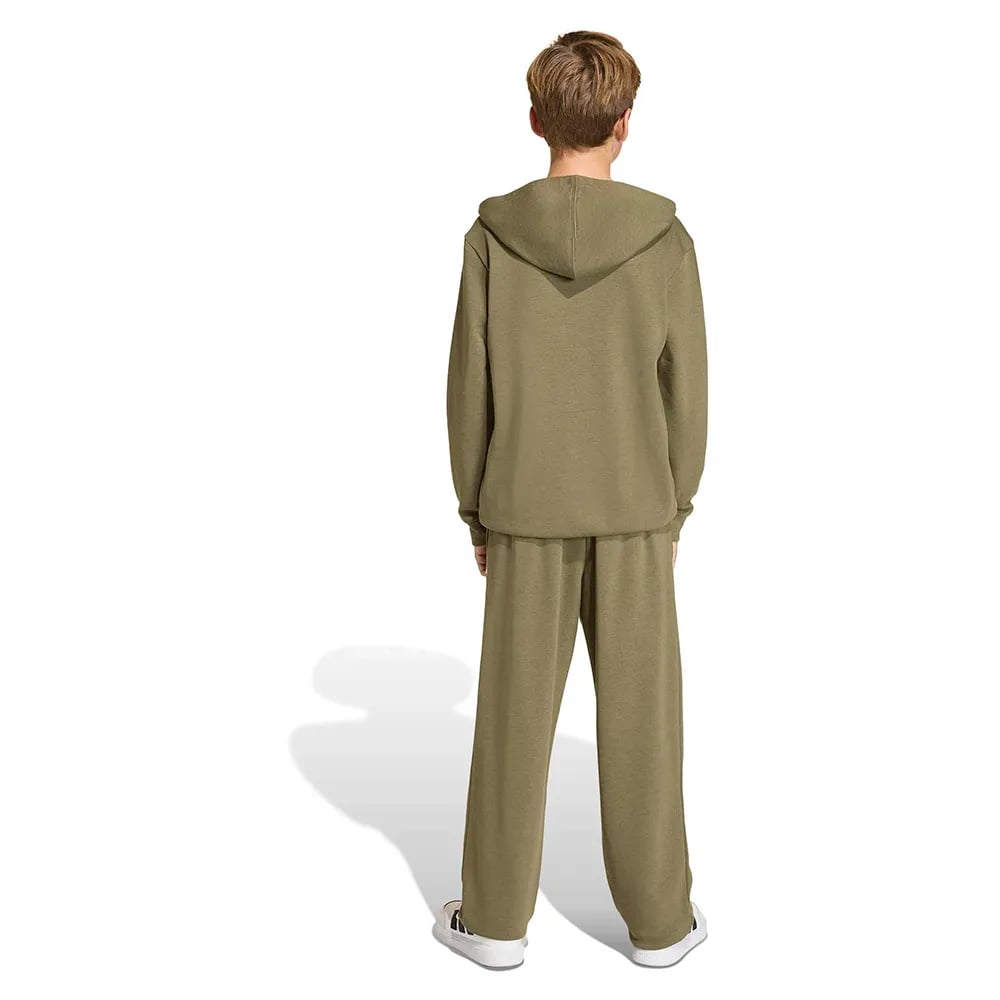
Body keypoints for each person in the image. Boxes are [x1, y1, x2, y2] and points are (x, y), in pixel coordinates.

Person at [435, 30, 709, 970]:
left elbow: (468, 390)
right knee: (643, 722)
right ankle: (661, 926)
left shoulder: (490, 239)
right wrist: (675, 505)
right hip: (635, 513)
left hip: (523, 511)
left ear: (534, 120)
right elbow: (687, 391)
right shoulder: (666, 241)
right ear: (625, 124)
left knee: (512, 719)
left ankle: (494, 924)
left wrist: (476, 509)